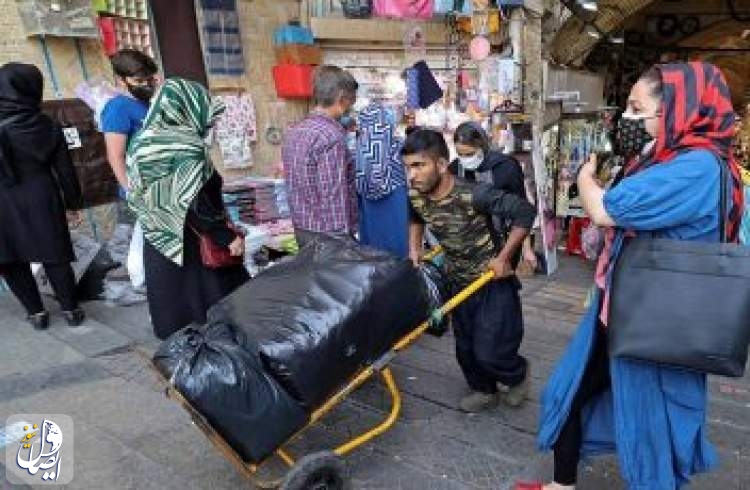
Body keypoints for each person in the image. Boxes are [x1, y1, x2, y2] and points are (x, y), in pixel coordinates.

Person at [525, 62, 744, 490]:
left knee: (652, 419)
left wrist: (585, 179)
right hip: (632, 306)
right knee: (578, 392)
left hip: (654, 317)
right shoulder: (676, 158)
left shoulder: (695, 167)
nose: (628, 119)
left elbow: (606, 210)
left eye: (636, 108)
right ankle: (562, 482)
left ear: (679, 111)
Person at [404, 128, 536, 412]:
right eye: (408, 167)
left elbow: (525, 212)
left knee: (492, 350)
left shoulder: (475, 194)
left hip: (491, 281)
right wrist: (414, 247)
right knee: (466, 350)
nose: (412, 175)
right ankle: (484, 390)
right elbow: (415, 215)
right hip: (458, 281)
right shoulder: (416, 194)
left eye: (419, 165)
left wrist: (504, 258)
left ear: (441, 164)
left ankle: (517, 376)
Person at [127, 78, 249, 340]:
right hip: (195, 246)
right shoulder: (186, 147)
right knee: (211, 315)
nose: (210, 121)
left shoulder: (143, 143)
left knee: (177, 315)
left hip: (161, 242)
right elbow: (194, 202)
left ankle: (186, 367)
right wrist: (226, 237)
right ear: (187, 108)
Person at [0, 63, 86, 329]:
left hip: (3, 201)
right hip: (42, 195)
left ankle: (36, 314)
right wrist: (72, 205)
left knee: (12, 258)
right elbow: (65, 171)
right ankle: (70, 310)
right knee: (54, 255)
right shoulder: (47, 126)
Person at [282, 65, 359, 248]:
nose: (350, 108)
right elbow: (334, 195)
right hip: (327, 236)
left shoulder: (295, 131)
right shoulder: (331, 136)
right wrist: (342, 241)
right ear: (342, 98)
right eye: (351, 102)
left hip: (301, 226)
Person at [451, 122, 538, 270]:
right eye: (461, 154)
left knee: (500, 287)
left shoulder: (506, 167)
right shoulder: (454, 169)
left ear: (483, 146)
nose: (465, 159)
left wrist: (526, 248)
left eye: (470, 154)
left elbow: (521, 209)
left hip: (504, 243)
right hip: (467, 245)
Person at [101, 49, 159, 193]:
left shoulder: (148, 103)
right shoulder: (117, 109)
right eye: (139, 81)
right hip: (141, 190)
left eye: (150, 79)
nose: (146, 84)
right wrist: (132, 192)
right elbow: (115, 156)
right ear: (122, 80)